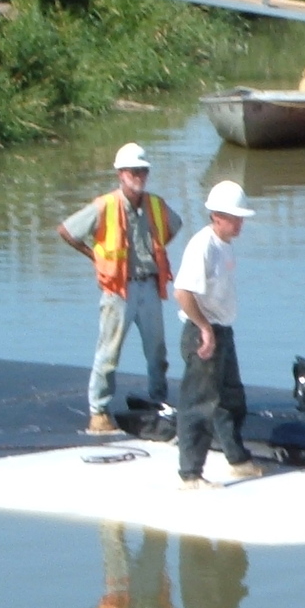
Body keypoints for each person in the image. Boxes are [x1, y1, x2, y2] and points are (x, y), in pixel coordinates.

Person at [58, 142, 180, 435]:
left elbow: (173, 227)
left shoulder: (155, 205)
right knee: (108, 353)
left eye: (142, 171)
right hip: (118, 290)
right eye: (133, 171)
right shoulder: (105, 206)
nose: (138, 175)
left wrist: (155, 256)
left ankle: (157, 400)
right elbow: (67, 230)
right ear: (120, 174)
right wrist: (95, 257)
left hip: (149, 286)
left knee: (157, 352)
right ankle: (98, 411)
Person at [172, 181, 263, 489]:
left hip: (221, 330)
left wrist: (217, 329)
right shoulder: (203, 246)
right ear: (217, 215)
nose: (240, 223)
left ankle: (237, 458)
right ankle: (191, 474)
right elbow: (183, 293)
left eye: (241, 217)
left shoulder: (224, 245)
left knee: (230, 398)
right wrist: (204, 329)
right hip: (203, 333)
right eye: (235, 217)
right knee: (199, 403)